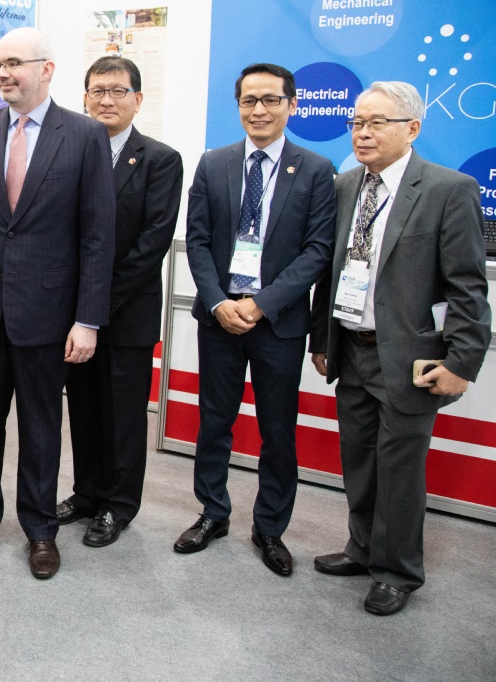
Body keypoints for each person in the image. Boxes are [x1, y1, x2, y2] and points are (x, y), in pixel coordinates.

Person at [310, 81, 490, 615]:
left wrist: (462, 363)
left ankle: (398, 570)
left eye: (376, 123)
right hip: (351, 349)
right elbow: (330, 272)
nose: (362, 133)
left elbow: (467, 286)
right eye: (356, 122)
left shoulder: (448, 189)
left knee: (400, 468)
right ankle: (363, 549)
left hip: (411, 357)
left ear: (412, 128)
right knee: (359, 460)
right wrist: (323, 339)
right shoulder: (345, 186)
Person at [0, 27, 115, 580]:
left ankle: (41, 530)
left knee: (41, 429)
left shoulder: (85, 135)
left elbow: (97, 235)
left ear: (46, 69)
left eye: (13, 63)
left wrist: (87, 319)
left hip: (49, 314)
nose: (1, 73)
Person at [177, 62, 335, 577]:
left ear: (292, 105)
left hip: (278, 323)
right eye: (249, 100)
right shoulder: (214, 163)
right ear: (239, 105)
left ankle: (270, 527)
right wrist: (218, 302)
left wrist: (262, 303)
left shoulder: (316, 169)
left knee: (278, 430)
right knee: (214, 421)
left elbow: (317, 251)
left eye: (270, 100)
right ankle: (212, 512)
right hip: (219, 317)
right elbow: (197, 240)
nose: (259, 110)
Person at [57, 57, 183, 547]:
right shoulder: (69, 153)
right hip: (72, 315)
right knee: (84, 409)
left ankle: (118, 504)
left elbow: (153, 242)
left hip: (126, 312)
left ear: (138, 99)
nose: (106, 100)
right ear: (84, 97)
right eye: (97, 91)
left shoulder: (160, 159)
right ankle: (87, 493)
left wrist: (97, 304)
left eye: (117, 91)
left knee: (124, 415)